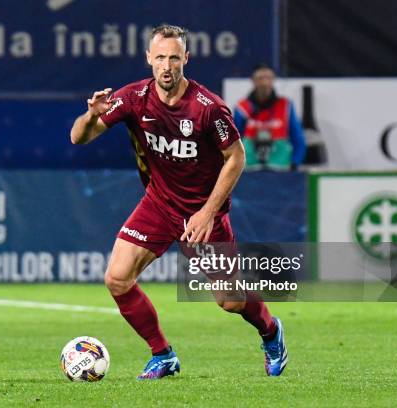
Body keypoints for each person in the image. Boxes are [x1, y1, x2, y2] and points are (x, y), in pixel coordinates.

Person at [70, 25, 287, 379]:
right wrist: (92, 114)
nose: (166, 65)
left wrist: (207, 211)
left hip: (203, 214)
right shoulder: (133, 97)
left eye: (174, 57)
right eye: (160, 58)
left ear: (186, 59)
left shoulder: (208, 109)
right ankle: (163, 355)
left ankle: (271, 331)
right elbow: (79, 138)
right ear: (149, 59)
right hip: (158, 204)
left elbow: (236, 157)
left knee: (230, 301)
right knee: (117, 279)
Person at [233, 64, 306, 171]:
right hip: (249, 169)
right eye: (260, 78)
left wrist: (295, 163)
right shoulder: (242, 108)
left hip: (280, 167)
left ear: (273, 80)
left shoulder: (285, 105)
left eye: (268, 78)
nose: (265, 83)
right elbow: (233, 141)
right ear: (253, 81)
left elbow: (298, 139)